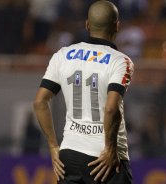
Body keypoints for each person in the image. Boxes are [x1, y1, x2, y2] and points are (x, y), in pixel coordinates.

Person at [33, 1, 134, 184]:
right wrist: (111, 148)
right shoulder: (121, 61)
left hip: (69, 154)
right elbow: (111, 108)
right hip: (104, 159)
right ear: (117, 26)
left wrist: (53, 146)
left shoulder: (63, 55)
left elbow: (40, 102)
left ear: (87, 24)